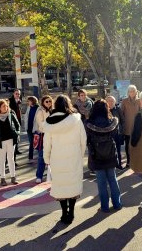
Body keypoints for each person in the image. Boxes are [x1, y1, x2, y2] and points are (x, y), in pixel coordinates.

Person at [43, 95, 86, 224]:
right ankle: (71, 212)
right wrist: (81, 154)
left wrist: (46, 158)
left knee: (60, 185)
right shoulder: (76, 119)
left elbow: (47, 144)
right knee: (73, 185)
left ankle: (63, 213)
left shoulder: (50, 121)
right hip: (74, 157)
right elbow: (83, 140)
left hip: (57, 158)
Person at [86, 99, 122, 212]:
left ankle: (104, 207)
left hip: (96, 154)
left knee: (101, 182)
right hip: (110, 152)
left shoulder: (89, 123)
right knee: (113, 179)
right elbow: (116, 135)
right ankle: (117, 204)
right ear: (106, 109)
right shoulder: (112, 121)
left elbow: (87, 139)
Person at [0, 99, 21, 186]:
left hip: (11, 140)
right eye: (3, 106)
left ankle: (13, 177)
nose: (6, 107)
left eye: (6, 106)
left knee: (11, 159)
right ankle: (2, 178)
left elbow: (18, 125)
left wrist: (17, 134)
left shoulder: (11, 115)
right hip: (0, 142)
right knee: (2, 160)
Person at [33, 95, 53, 183]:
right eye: (46, 101)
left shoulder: (54, 110)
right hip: (43, 135)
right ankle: (39, 176)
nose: (49, 103)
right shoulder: (40, 111)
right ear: (43, 102)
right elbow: (41, 124)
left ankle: (52, 175)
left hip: (53, 135)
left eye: (50, 101)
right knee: (42, 156)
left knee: (53, 156)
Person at [120, 85, 140, 168]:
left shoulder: (140, 100)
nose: (132, 92)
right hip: (127, 128)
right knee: (128, 146)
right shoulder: (124, 101)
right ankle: (128, 161)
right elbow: (121, 113)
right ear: (128, 92)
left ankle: (137, 161)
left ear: (136, 91)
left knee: (137, 145)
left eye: (133, 91)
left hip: (137, 127)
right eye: (130, 91)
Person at [106, 95, 125, 170]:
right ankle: (109, 166)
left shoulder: (118, 109)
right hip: (107, 135)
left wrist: (121, 130)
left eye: (112, 101)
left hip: (117, 134)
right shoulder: (104, 110)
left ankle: (118, 164)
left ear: (115, 102)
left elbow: (123, 120)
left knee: (118, 149)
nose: (110, 103)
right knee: (108, 151)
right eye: (109, 101)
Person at [24, 96, 39, 162]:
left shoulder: (39, 108)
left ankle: (41, 157)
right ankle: (30, 158)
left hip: (36, 129)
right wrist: (26, 127)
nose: (28, 102)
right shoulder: (28, 107)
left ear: (33, 101)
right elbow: (26, 117)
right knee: (31, 144)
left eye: (29, 101)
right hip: (29, 129)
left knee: (38, 144)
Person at [9, 89, 22, 156]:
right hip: (12, 121)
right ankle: (13, 151)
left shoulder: (19, 100)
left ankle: (16, 149)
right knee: (13, 137)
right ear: (13, 94)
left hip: (18, 120)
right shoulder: (10, 101)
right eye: (16, 94)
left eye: (19, 94)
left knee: (18, 135)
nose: (18, 95)